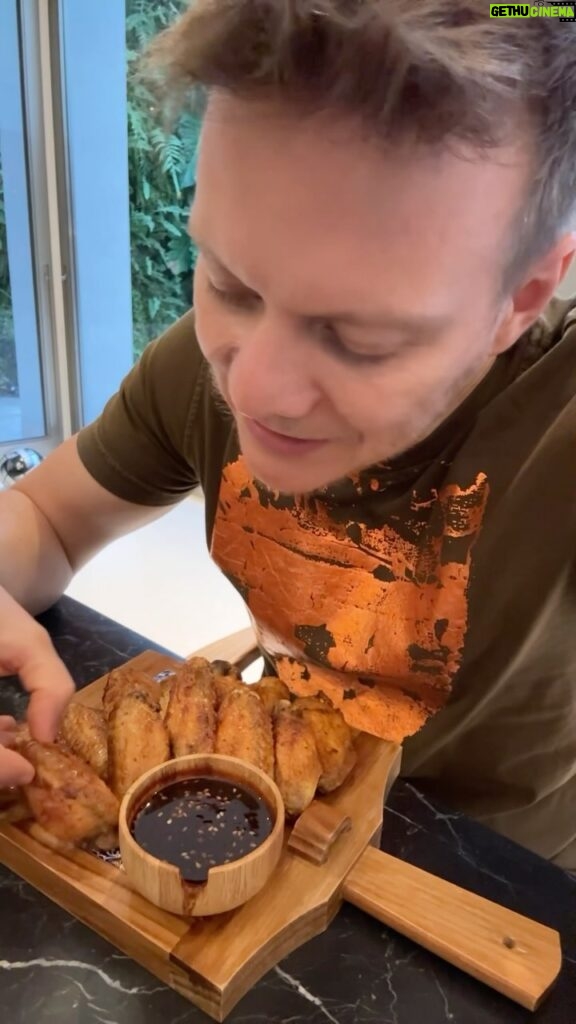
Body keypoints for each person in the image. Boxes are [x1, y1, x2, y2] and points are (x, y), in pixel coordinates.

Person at [1, 0, 576, 867]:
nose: (253, 385)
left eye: (359, 338)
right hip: (256, 817)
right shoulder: (193, 372)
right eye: (229, 285)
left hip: (492, 888)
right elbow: (45, 521)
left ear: (524, 298)